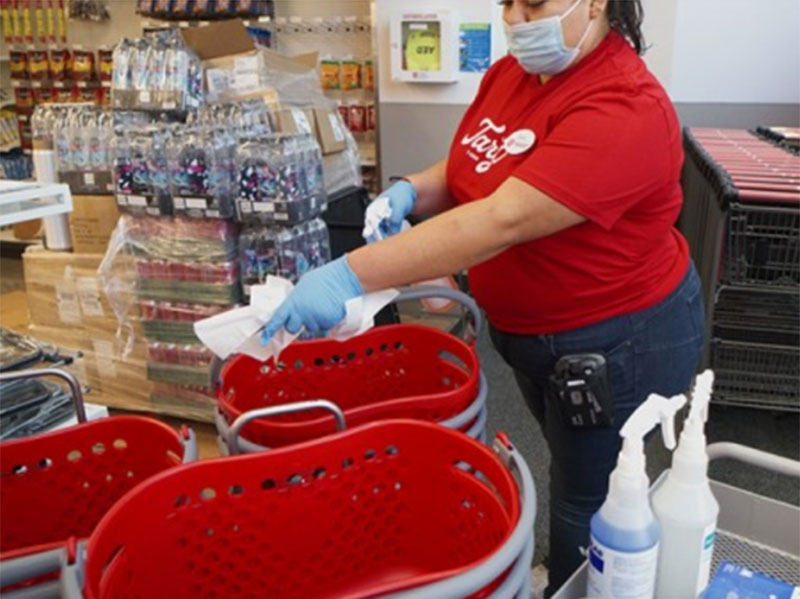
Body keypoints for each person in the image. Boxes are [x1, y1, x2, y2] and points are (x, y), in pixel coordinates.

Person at [262, 0, 705, 594]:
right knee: (566, 455)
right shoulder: (513, 75)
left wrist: (350, 275)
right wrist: (410, 192)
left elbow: (500, 218)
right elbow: (473, 164)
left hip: (616, 338)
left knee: (591, 494)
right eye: (508, 2)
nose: (516, 18)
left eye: (536, 2)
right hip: (534, 335)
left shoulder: (626, 107)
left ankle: (582, 585)